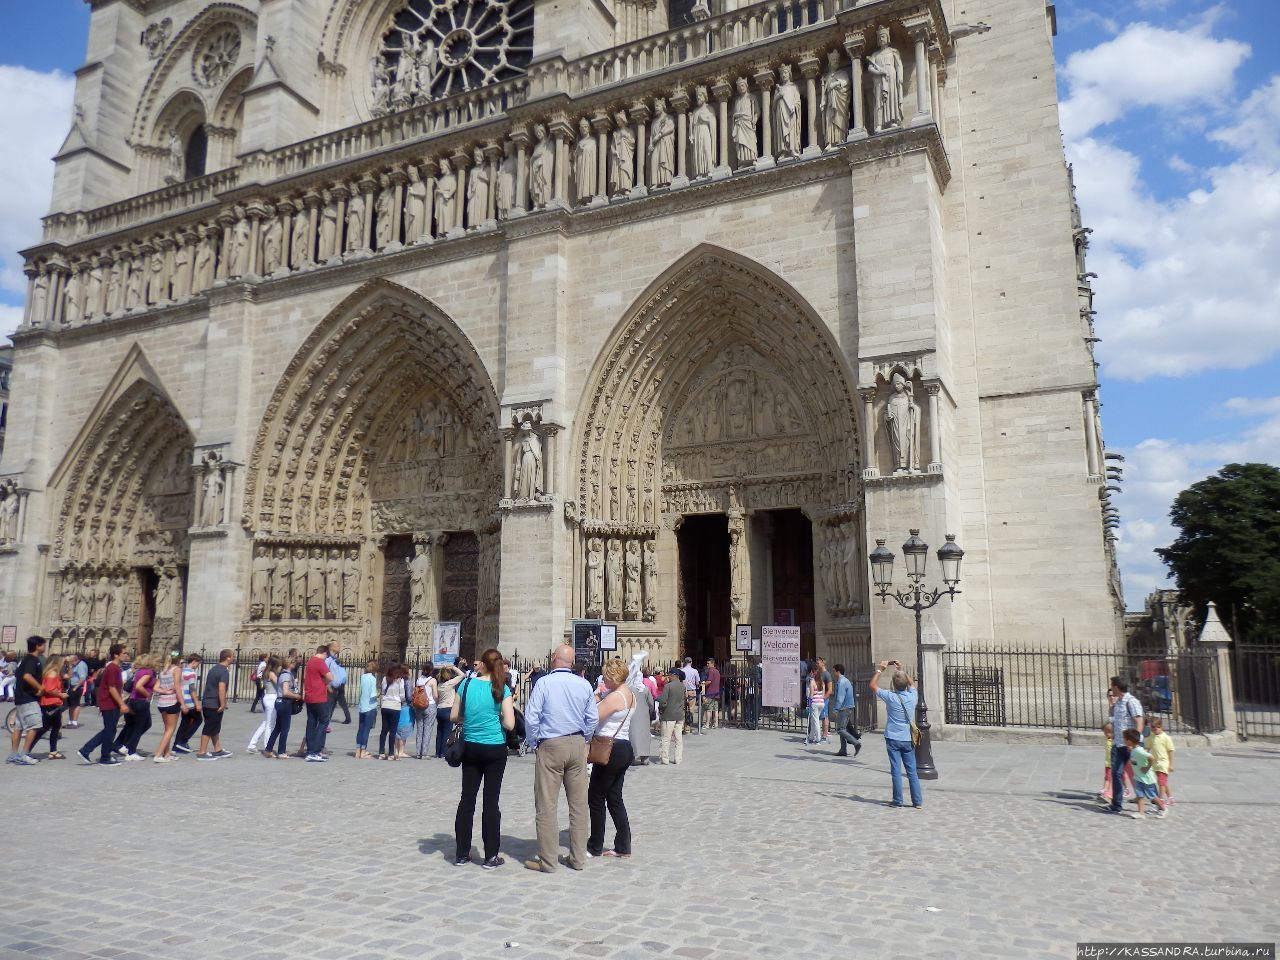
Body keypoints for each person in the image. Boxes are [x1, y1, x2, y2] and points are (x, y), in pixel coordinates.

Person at [522, 643, 597, 873]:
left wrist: (534, 741)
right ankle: (577, 859)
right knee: (579, 806)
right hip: (576, 745)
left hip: (551, 745)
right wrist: (583, 738)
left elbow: (531, 717)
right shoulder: (584, 684)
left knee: (546, 805)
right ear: (572, 662)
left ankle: (548, 862)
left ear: (554, 659)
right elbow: (592, 719)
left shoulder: (543, 683)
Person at [453, 648, 515, 869]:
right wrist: (496, 715)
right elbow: (510, 724)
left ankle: (461, 853)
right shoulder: (501, 688)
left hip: (471, 747)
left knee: (467, 799)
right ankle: (490, 856)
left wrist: (471, 716)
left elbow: (453, 715)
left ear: (482, 665)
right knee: (491, 801)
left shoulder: (466, 685)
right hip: (494, 749)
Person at [587, 657, 638, 859]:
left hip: (610, 748)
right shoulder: (630, 694)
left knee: (596, 797)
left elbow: (592, 716)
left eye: (605, 677)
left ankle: (595, 845)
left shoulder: (615, 697)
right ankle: (623, 846)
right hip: (624, 747)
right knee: (614, 797)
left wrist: (597, 695)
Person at [870, 660, 921, 808]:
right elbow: (913, 685)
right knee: (912, 771)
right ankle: (917, 801)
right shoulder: (912, 696)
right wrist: (902, 670)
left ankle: (898, 800)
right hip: (907, 738)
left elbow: (872, 685)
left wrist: (881, 669)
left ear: (893, 684)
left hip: (893, 737)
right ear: (906, 684)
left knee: (896, 771)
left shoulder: (890, 697)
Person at [79, 643, 128, 765]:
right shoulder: (113, 668)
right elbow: (111, 688)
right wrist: (122, 703)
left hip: (110, 703)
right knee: (109, 730)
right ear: (116, 655)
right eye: (124, 653)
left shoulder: (115, 667)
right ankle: (99, 755)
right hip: (109, 703)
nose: (127, 655)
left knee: (110, 730)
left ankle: (92, 752)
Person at [6, 635, 47, 765]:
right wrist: (40, 687)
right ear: (38, 646)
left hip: (21, 698)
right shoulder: (33, 660)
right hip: (29, 698)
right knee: (35, 726)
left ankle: (13, 754)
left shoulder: (25, 660)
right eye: (43, 644)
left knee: (19, 727)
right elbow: (27, 676)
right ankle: (24, 754)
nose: (45, 647)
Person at [1107, 677, 1144, 815]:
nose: (1111, 689)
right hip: (1118, 744)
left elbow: (1139, 721)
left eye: (1112, 686)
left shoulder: (1131, 702)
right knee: (1116, 773)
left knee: (1140, 775)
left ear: (1117, 687)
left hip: (1130, 745)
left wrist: (1135, 742)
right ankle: (1116, 805)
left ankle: (1155, 801)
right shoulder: (1117, 704)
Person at [114, 653, 156, 760]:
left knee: (135, 725)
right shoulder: (148, 672)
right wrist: (148, 695)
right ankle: (131, 751)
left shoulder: (138, 671)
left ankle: (123, 745)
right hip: (140, 701)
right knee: (140, 726)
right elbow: (138, 686)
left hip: (132, 700)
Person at [196, 648, 233, 760]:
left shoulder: (213, 669)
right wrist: (222, 704)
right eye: (233, 656)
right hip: (214, 703)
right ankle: (202, 752)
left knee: (215, 727)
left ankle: (218, 749)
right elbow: (221, 688)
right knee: (209, 727)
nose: (234, 658)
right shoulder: (224, 671)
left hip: (207, 701)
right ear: (228, 658)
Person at [1123, 728, 1167, 819]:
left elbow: (1151, 758)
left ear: (1130, 741)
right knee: (1140, 795)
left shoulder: (1139, 751)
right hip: (1139, 777)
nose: (1124, 741)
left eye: (1125, 739)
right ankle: (1141, 813)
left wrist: (1147, 768)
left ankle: (1163, 808)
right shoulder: (1134, 750)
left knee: (1152, 796)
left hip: (1146, 778)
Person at [268, 651, 302, 759]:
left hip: (280, 702)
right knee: (285, 729)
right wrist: (296, 696)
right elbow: (286, 692)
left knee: (278, 727)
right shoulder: (287, 675)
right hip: (285, 702)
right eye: (293, 662)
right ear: (290, 663)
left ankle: (268, 749)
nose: (295, 663)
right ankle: (281, 751)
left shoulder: (282, 674)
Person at [302, 644, 333, 761]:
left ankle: (310, 751)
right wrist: (324, 682)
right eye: (326, 656)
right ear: (324, 653)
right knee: (324, 722)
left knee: (311, 722)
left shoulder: (310, 662)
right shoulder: (320, 662)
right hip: (319, 696)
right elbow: (330, 677)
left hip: (309, 696)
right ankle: (316, 751)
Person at [151, 651, 184, 762]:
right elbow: (177, 687)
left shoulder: (164, 671)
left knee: (167, 729)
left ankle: (167, 753)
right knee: (170, 729)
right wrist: (183, 703)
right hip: (172, 702)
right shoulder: (177, 670)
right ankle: (158, 754)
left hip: (162, 702)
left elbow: (155, 687)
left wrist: (164, 691)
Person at [35, 655, 68, 759]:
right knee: (46, 728)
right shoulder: (52, 673)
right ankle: (27, 749)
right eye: (62, 662)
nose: (63, 664)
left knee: (54, 727)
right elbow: (49, 689)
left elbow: (67, 676)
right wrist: (60, 695)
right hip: (51, 703)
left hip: (51, 703)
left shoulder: (53, 672)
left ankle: (53, 751)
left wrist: (69, 665)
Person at [247, 656, 281, 755]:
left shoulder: (266, 672)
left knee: (265, 723)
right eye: (279, 666)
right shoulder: (271, 673)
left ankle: (252, 744)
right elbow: (280, 684)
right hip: (272, 698)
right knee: (270, 724)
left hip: (268, 697)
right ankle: (267, 747)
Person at [173, 653, 203, 754]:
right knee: (198, 720)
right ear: (194, 661)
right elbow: (192, 689)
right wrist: (197, 702)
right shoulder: (191, 672)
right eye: (198, 663)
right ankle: (183, 741)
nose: (198, 666)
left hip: (182, 700)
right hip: (189, 701)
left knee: (184, 722)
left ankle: (176, 745)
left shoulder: (181, 671)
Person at [628, 654, 655, 765]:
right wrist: (651, 712)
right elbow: (651, 703)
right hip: (644, 715)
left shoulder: (629, 688)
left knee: (633, 735)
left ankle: (633, 757)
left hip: (632, 714)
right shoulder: (645, 689)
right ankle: (645, 758)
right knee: (644, 735)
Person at [434, 662, 465, 759]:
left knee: (439, 731)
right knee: (447, 731)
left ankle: (438, 752)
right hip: (448, 709)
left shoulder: (439, 685)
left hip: (439, 709)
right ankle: (444, 752)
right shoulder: (450, 683)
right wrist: (454, 667)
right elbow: (462, 675)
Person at [831, 663, 861, 757]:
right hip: (848, 707)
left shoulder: (841, 682)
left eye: (834, 671)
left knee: (840, 730)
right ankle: (843, 749)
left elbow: (840, 697)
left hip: (844, 708)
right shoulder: (846, 680)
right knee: (842, 728)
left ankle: (856, 743)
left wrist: (836, 709)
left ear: (838, 671)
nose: (833, 673)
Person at [379, 664, 408, 760]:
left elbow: (383, 691)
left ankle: (381, 753)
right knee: (393, 731)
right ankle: (391, 754)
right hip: (395, 707)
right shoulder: (400, 680)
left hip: (385, 705)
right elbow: (402, 695)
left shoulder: (385, 679)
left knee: (384, 730)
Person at [658, 666, 685, 765]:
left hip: (668, 715)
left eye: (670, 674)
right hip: (679, 715)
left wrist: (661, 710)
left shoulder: (668, 686)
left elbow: (663, 701)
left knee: (666, 738)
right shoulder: (682, 686)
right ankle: (678, 758)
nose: (668, 676)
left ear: (674, 675)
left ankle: (665, 758)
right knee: (678, 738)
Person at [1146, 716, 1176, 805]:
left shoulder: (1166, 738)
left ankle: (1161, 798)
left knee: (1161, 782)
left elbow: (1170, 751)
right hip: (1155, 764)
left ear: (1160, 727)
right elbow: (1147, 749)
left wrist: (1171, 764)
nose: (1155, 729)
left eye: (1156, 727)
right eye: (1152, 728)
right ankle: (1170, 798)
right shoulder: (1151, 737)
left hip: (1163, 763)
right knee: (1163, 782)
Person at [412, 666, 437, 759]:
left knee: (419, 729)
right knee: (428, 729)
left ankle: (418, 752)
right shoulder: (433, 680)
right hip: (429, 705)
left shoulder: (419, 680)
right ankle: (424, 753)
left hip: (419, 706)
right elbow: (435, 695)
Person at [355, 660, 379, 760]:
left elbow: (360, 691)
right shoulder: (373, 679)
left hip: (362, 706)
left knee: (360, 729)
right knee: (366, 730)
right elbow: (373, 695)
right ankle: (363, 751)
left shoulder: (362, 677)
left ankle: (357, 751)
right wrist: (378, 694)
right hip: (370, 707)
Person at [326, 641, 351, 726]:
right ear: (332, 647)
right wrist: (327, 685)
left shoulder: (336, 659)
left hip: (340, 686)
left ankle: (347, 718)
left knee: (338, 703)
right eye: (337, 646)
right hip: (332, 686)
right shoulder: (328, 660)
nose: (339, 647)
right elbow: (325, 673)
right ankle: (326, 721)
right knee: (330, 704)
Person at [65, 653, 89, 728]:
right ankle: (70, 721)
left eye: (70, 659)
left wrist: (76, 687)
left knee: (75, 704)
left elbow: (82, 678)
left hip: (76, 686)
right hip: (70, 686)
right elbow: (69, 675)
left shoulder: (81, 665)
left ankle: (74, 722)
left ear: (75, 659)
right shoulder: (72, 665)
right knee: (70, 705)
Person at [805, 664, 825, 745]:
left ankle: (818, 739)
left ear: (813, 673)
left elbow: (811, 694)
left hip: (815, 703)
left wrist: (808, 703)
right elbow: (823, 694)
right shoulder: (822, 682)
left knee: (816, 721)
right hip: (821, 703)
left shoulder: (812, 682)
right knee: (814, 720)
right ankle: (811, 737)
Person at [680, 657, 700, 733]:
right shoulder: (694, 671)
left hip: (683, 691)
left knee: (682, 709)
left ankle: (681, 726)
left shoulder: (682, 670)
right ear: (691, 662)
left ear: (685, 662)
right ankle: (688, 727)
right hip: (692, 691)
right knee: (691, 709)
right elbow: (697, 683)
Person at [816, 657, 834, 742]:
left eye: (818, 663)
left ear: (823, 663)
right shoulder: (818, 673)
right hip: (818, 698)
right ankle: (817, 734)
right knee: (818, 716)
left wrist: (824, 698)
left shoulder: (827, 674)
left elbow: (830, 689)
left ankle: (824, 735)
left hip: (824, 699)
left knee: (824, 717)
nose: (817, 664)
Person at [702, 658, 721, 730]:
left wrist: (704, 683)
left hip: (710, 692)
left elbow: (709, 681)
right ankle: (716, 724)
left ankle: (707, 724)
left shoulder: (711, 671)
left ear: (712, 664)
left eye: (708, 663)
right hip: (716, 692)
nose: (707, 665)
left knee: (708, 709)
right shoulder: (717, 671)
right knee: (715, 709)